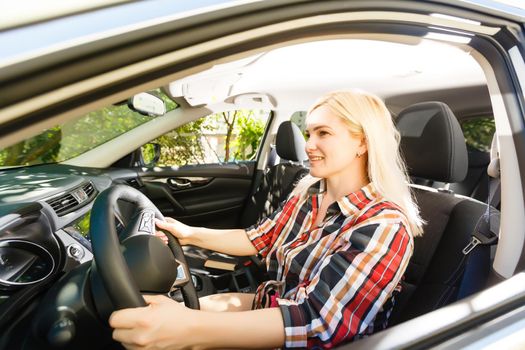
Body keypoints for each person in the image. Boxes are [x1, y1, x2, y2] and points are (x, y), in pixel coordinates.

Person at [109, 90, 423, 349]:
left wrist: (190, 328)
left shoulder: (383, 225)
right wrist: (186, 233)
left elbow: (316, 322)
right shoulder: (309, 193)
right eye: (309, 133)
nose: (309, 145)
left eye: (324, 133)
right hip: (271, 306)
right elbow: (259, 239)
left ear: (363, 142)